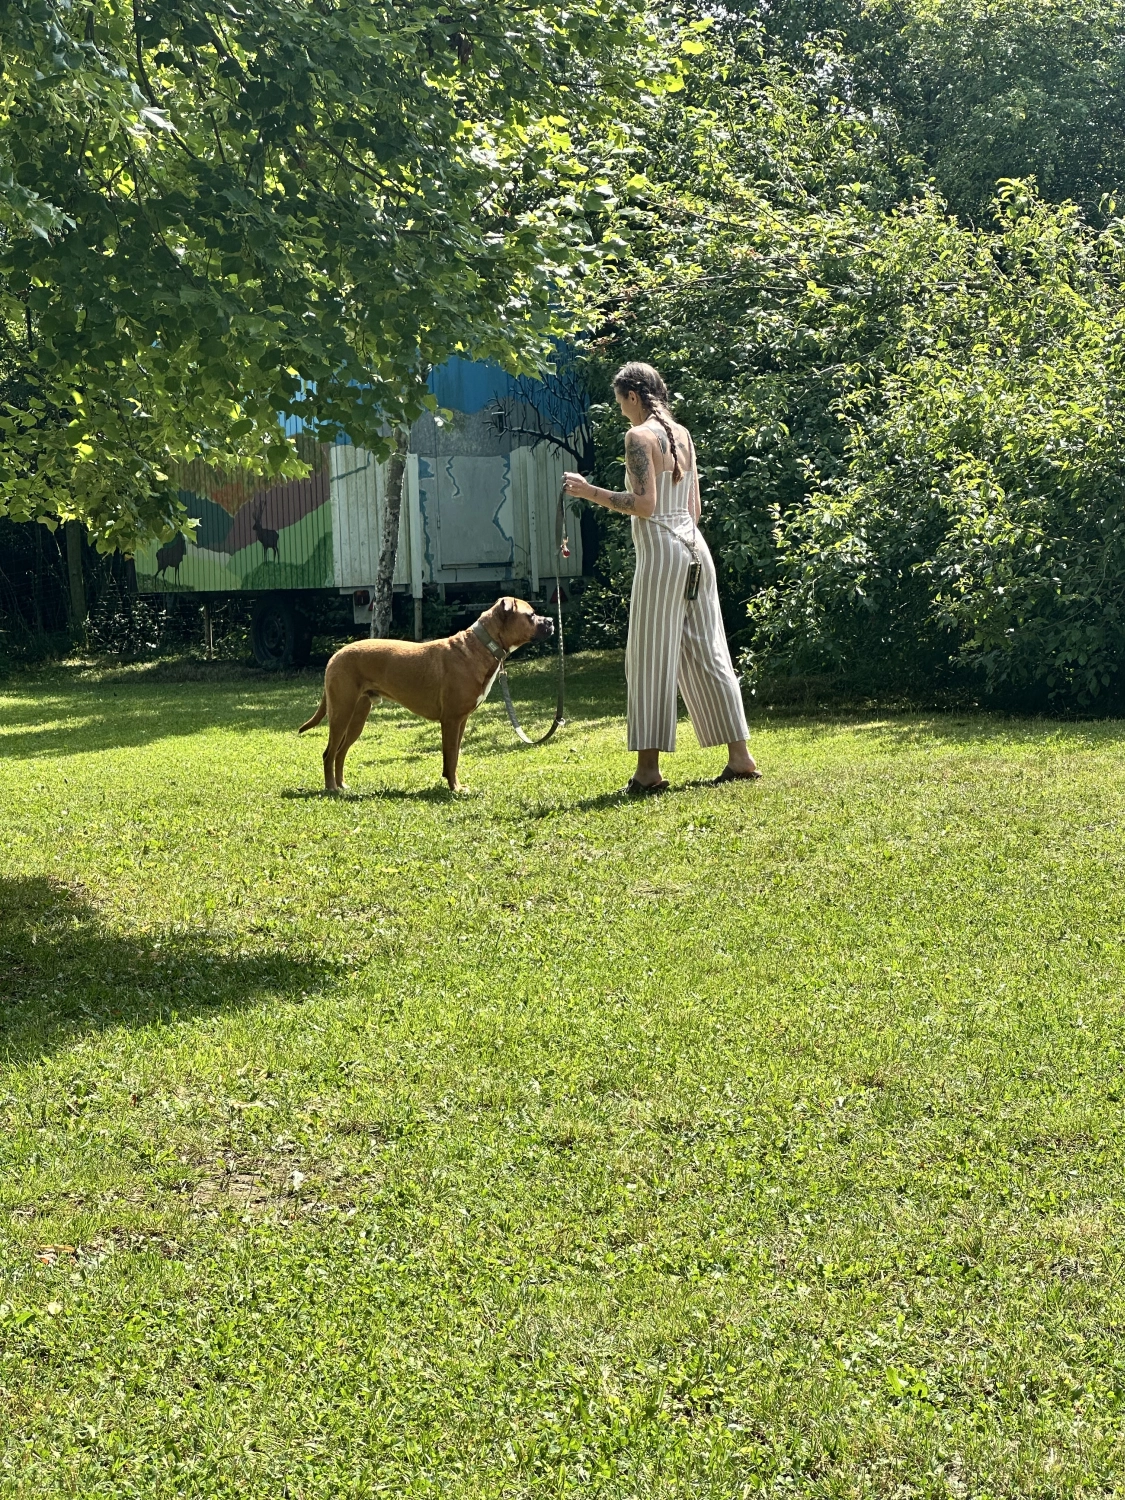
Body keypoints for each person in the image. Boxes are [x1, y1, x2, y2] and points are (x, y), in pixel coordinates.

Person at [562, 362, 760, 795]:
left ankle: (648, 772)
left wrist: (587, 491)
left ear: (633, 395)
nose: (621, 412)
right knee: (708, 650)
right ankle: (740, 758)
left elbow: (645, 506)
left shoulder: (638, 437)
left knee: (649, 658)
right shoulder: (683, 434)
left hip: (662, 554)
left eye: (620, 403)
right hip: (695, 549)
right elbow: (696, 510)